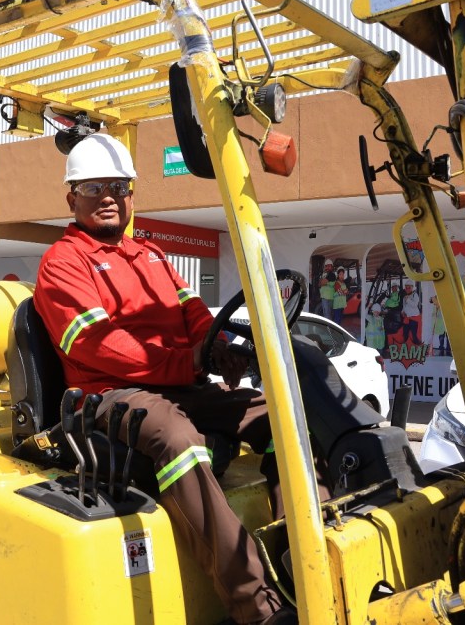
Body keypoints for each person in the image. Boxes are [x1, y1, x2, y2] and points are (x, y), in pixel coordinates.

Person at [33, 133, 295, 625]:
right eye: (93, 188)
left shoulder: (149, 255)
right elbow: (98, 345)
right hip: (108, 393)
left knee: (280, 416)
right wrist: (187, 361)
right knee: (179, 439)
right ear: (72, 198)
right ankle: (256, 605)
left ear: (132, 193)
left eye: (118, 185)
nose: (108, 196)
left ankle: (302, 556)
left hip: (175, 384)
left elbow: (194, 313)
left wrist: (215, 349)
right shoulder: (63, 262)